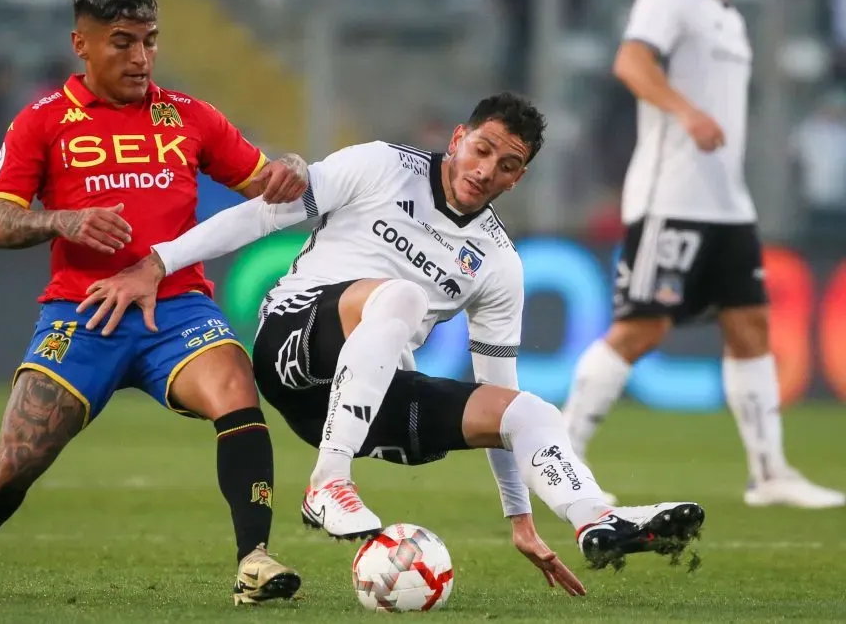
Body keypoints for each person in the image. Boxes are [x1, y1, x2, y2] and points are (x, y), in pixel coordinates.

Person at [79, 92, 706, 588]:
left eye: (507, 165)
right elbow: (260, 215)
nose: (485, 171)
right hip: (293, 343)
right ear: (458, 139)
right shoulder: (380, 165)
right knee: (401, 297)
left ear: (518, 179)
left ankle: (595, 518)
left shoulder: (497, 263)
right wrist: (157, 263)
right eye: (482, 150)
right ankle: (328, 483)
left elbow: (497, 391)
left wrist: (520, 519)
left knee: (531, 412)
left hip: (358, 399)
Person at [0, 0, 307, 606]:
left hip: (177, 308)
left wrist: (294, 169)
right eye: (123, 42)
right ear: (81, 44)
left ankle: (255, 559)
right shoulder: (41, 121)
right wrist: (62, 220)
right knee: (17, 455)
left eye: (150, 41)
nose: (141, 57)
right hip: (82, 311)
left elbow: (268, 185)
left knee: (235, 386)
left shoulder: (189, 116)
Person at [560, 0, 845, 509]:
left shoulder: (727, 13)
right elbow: (631, 62)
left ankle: (770, 472)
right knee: (641, 329)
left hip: (727, 204)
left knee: (751, 327)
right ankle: (560, 457)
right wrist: (685, 111)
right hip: (672, 198)